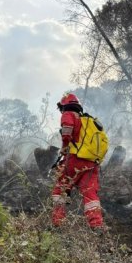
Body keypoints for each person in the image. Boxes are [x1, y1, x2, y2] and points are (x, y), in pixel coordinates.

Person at [51, 93, 107, 229]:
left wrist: (64, 147)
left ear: (64, 106)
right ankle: (96, 225)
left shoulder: (69, 114)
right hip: (92, 163)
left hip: (75, 160)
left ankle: (58, 223)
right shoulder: (90, 121)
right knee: (90, 193)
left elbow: (67, 130)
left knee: (60, 190)